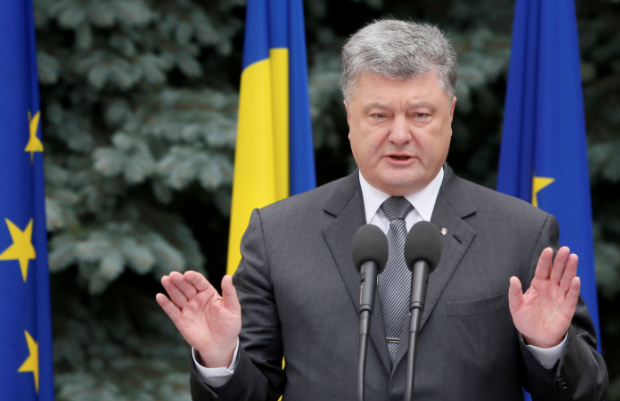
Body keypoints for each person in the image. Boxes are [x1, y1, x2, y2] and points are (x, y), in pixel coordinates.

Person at [156, 20, 608, 400]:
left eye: (420, 115)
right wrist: (220, 358)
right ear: (349, 116)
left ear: (450, 115)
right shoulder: (277, 233)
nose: (400, 134)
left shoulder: (521, 232)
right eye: (379, 115)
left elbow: (586, 392)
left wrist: (548, 345)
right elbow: (252, 391)